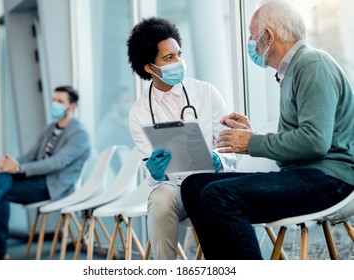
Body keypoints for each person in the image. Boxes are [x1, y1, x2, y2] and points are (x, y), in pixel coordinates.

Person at [180, 0, 354, 260]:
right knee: (194, 186)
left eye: (252, 34)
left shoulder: (312, 64)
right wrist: (251, 134)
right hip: (305, 174)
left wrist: (252, 143)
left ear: (269, 35)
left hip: (331, 180)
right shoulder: (292, 72)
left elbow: (315, 142)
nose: (250, 41)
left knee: (219, 195)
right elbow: (296, 145)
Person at [127, 17, 237, 260]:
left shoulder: (206, 93)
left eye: (179, 54)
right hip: (176, 189)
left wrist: (219, 159)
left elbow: (230, 145)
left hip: (213, 182)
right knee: (160, 199)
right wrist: (154, 172)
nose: (178, 62)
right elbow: (153, 170)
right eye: (169, 58)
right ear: (149, 68)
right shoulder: (139, 112)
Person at [0, 86, 91, 260]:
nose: (55, 104)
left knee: (3, 191)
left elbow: (57, 163)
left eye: (60, 101)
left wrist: (20, 168)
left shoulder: (80, 135)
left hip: (53, 186)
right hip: (35, 178)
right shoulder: (49, 129)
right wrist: (12, 162)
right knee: (2, 176)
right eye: (54, 100)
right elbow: (30, 156)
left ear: (72, 107)